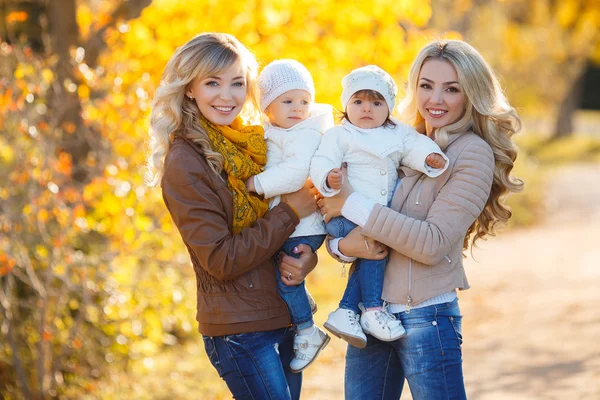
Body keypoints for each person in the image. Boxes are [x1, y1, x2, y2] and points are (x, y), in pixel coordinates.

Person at [318, 40, 523, 399]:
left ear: (471, 94)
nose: (436, 100)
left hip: (426, 318)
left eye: (452, 89)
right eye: (426, 86)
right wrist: (341, 246)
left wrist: (348, 201)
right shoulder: (399, 141)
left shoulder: (471, 154)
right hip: (373, 313)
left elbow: (430, 243)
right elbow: (359, 227)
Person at [146, 33, 320, 400]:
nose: (227, 96)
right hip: (241, 331)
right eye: (213, 83)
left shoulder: (249, 143)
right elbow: (221, 259)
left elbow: (269, 230)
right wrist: (291, 212)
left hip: (279, 314)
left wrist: (304, 257)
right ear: (190, 88)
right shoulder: (185, 161)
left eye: (237, 84)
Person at [309, 65, 449, 348]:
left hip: (373, 213)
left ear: (389, 107)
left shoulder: (398, 133)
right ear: (346, 105)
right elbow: (322, 160)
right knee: (375, 251)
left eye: (376, 102)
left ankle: (347, 311)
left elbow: (416, 145)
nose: (366, 109)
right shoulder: (340, 134)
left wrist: (430, 157)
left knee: (374, 248)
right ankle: (372, 309)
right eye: (358, 101)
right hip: (344, 214)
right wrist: (329, 176)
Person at [245, 59, 333, 372]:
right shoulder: (276, 132)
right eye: (287, 101)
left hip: (305, 225)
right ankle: (302, 302)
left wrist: (257, 184)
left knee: (286, 281)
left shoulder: (305, 133)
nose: (298, 108)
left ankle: (309, 333)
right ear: (267, 106)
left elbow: (295, 174)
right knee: (281, 272)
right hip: (292, 222)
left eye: (304, 101)